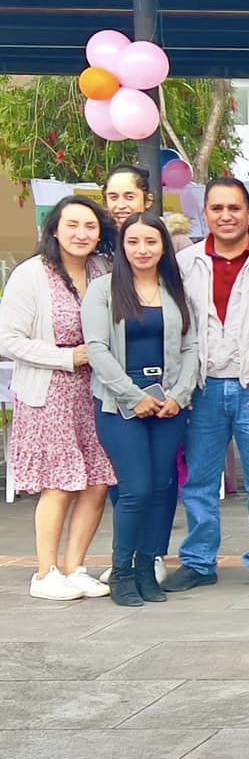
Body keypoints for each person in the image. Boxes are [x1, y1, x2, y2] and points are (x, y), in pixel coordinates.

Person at [169, 176, 249, 593]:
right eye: (217, 208)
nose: (226, 216)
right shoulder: (186, 263)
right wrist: (182, 386)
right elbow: (177, 328)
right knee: (200, 480)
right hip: (203, 388)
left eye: (234, 208)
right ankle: (199, 561)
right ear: (205, 213)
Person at [0, 198, 114, 600]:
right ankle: (45, 572)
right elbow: (9, 340)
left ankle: (75, 567)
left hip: (95, 392)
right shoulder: (31, 274)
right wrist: (68, 357)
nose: (81, 234)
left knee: (98, 482)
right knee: (60, 484)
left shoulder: (103, 270)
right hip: (49, 393)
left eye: (90, 226)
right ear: (54, 230)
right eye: (72, 225)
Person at [85, 213, 200, 608]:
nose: (142, 250)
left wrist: (180, 395)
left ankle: (147, 568)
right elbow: (97, 349)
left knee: (162, 488)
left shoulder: (175, 290)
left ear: (163, 246)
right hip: (119, 405)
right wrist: (133, 396)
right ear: (122, 247)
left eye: (151, 241)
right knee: (135, 489)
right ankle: (122, 572)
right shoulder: (103, 289)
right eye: (133, 242)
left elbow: (190, 347)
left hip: (168, 404)